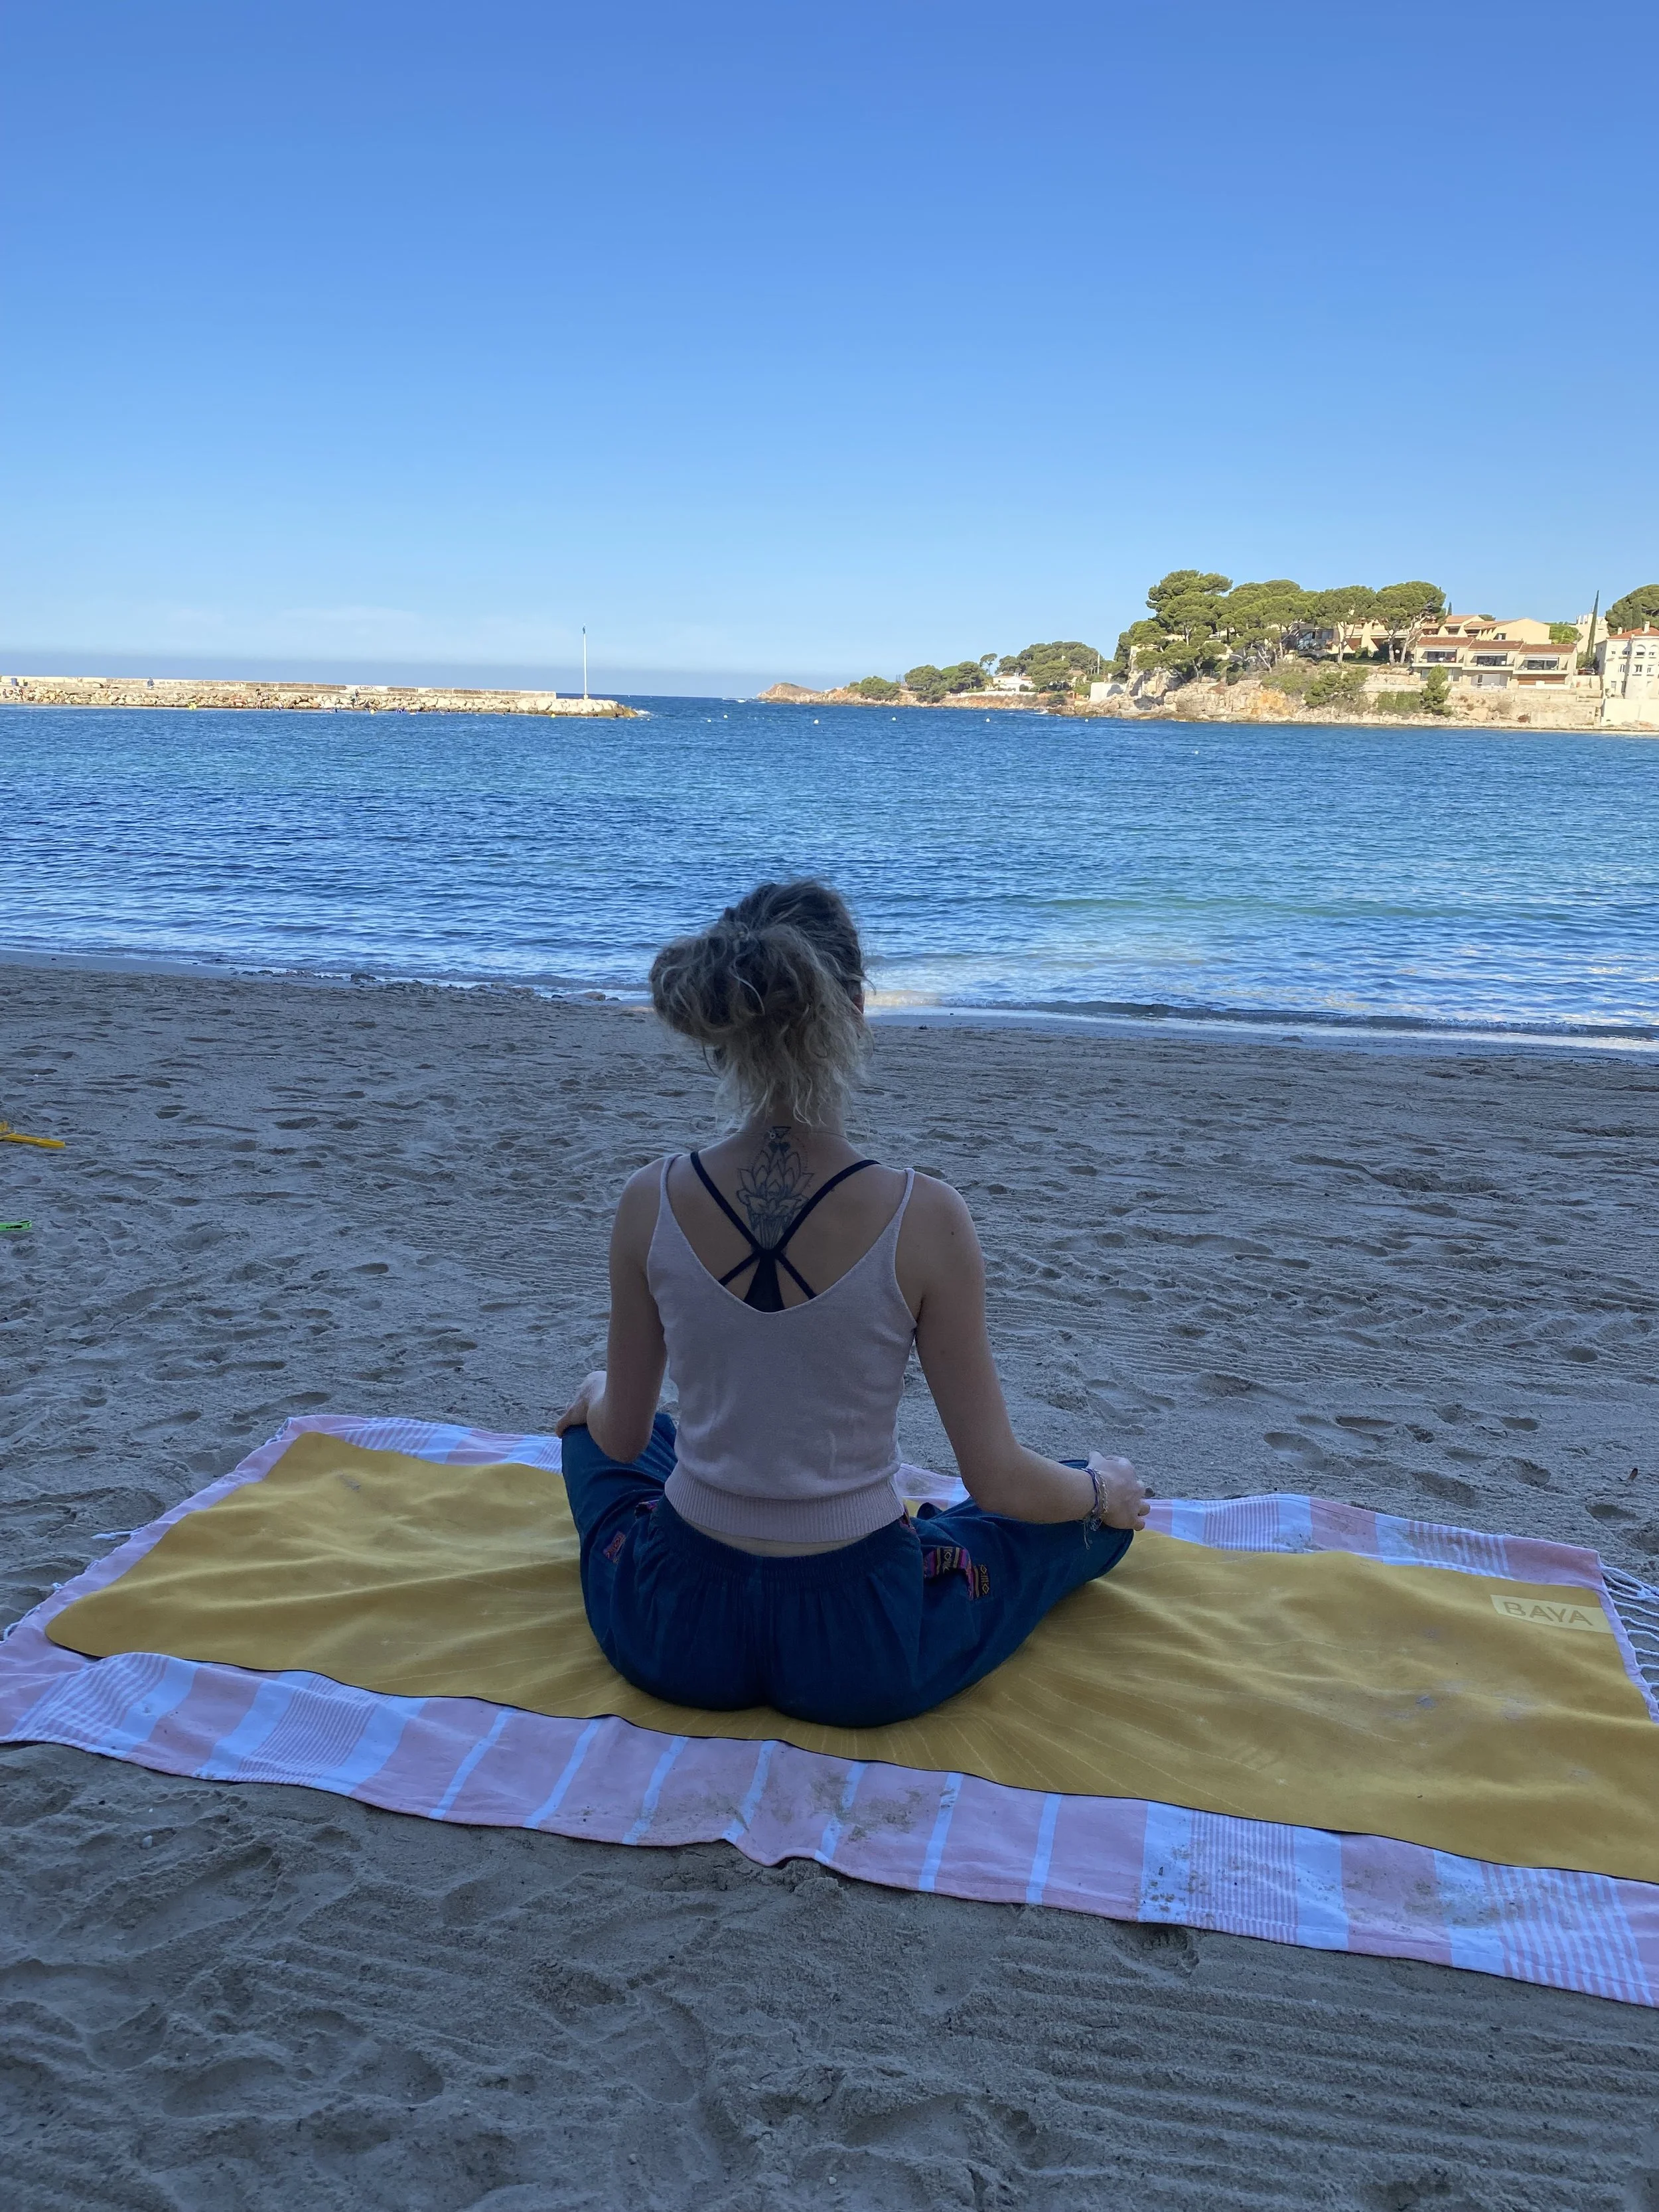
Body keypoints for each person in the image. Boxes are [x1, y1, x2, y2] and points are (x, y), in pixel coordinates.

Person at [555, 878, 1148, 1730]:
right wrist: (1098, 1493)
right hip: (863, 1644)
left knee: (607, 1432)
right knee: (1068, 1520)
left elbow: (619, 1437)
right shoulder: (925, 1216)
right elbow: (998, 1477)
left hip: (675, 1629)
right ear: (856, 1010)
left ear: (720, 1031)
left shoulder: (649, 1198)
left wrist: (596, 1400)